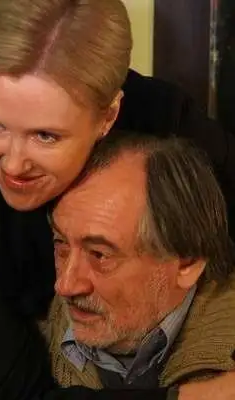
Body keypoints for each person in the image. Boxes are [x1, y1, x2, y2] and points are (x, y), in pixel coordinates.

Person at [0, 0, 235, 399]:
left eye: (46, 136)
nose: (13, 164)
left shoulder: (174, 129)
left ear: (108, 116)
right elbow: (16, 393)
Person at [47, 132, 235, 392]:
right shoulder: (36, 336)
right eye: (61, 246)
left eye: (99, 255)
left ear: (187, 263)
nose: (65, 285)